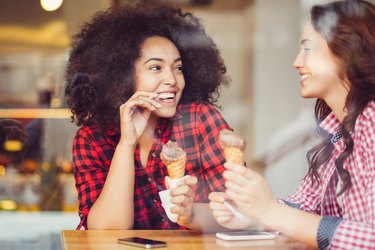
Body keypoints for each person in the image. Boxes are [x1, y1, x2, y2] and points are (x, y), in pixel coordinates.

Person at [208, 0, 375, 249]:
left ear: (346, 50)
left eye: (307, 48)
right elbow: (302, 207)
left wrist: (270, 212)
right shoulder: (337, 134)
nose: (296, 62)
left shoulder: (371, 120)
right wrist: (250, 215)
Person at [65, 3, 233, 230]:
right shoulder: (91, 140)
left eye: (178, 68)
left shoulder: (201, 120)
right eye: (156, 68)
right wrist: (126, 143)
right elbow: (106, 231)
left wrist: (191, 212)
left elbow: (235, 213)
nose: (172, 80)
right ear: (119, 77)